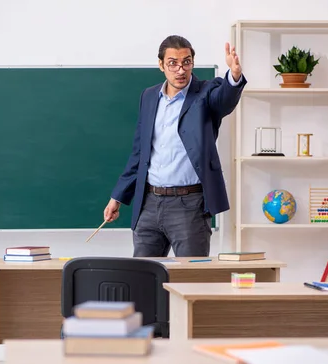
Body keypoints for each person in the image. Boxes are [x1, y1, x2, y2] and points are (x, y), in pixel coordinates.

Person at [103, 35, 247, 257]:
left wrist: (234, 76)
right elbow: (139, 153)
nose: (180, 70)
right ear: (161, 65)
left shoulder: (206, 93)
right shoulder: (149, 96)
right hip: (149, 204)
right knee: (143, 277)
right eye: (173, 63)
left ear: (192, 63)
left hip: (189, 205)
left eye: (186, 62)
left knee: (191, 281)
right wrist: (118, 197)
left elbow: (225, 99)